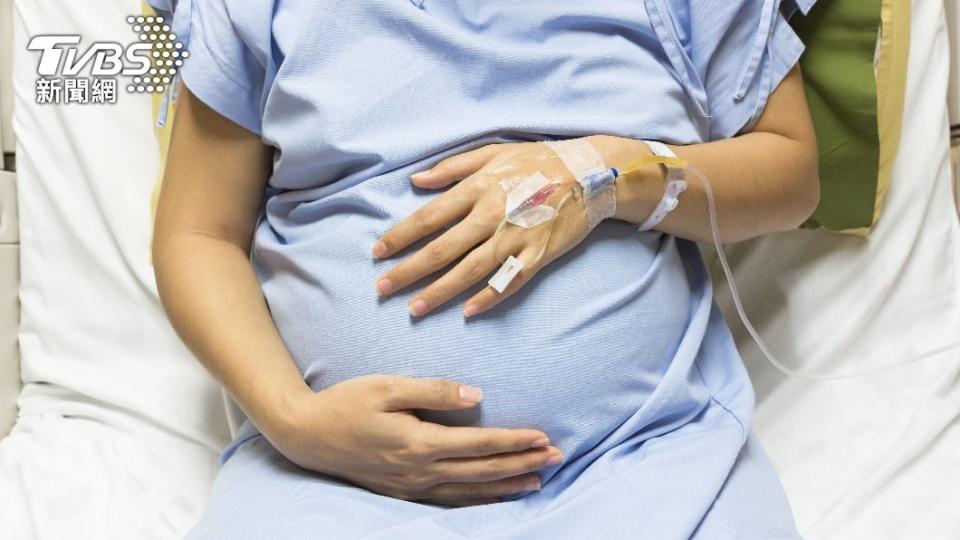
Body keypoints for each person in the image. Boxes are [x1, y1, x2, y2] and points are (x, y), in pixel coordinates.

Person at [151, 0, 819, 537]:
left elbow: (791, 174)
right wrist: (295, 420)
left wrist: (604, 174)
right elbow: (197, 233)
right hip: (332, 480)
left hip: (647, 460)